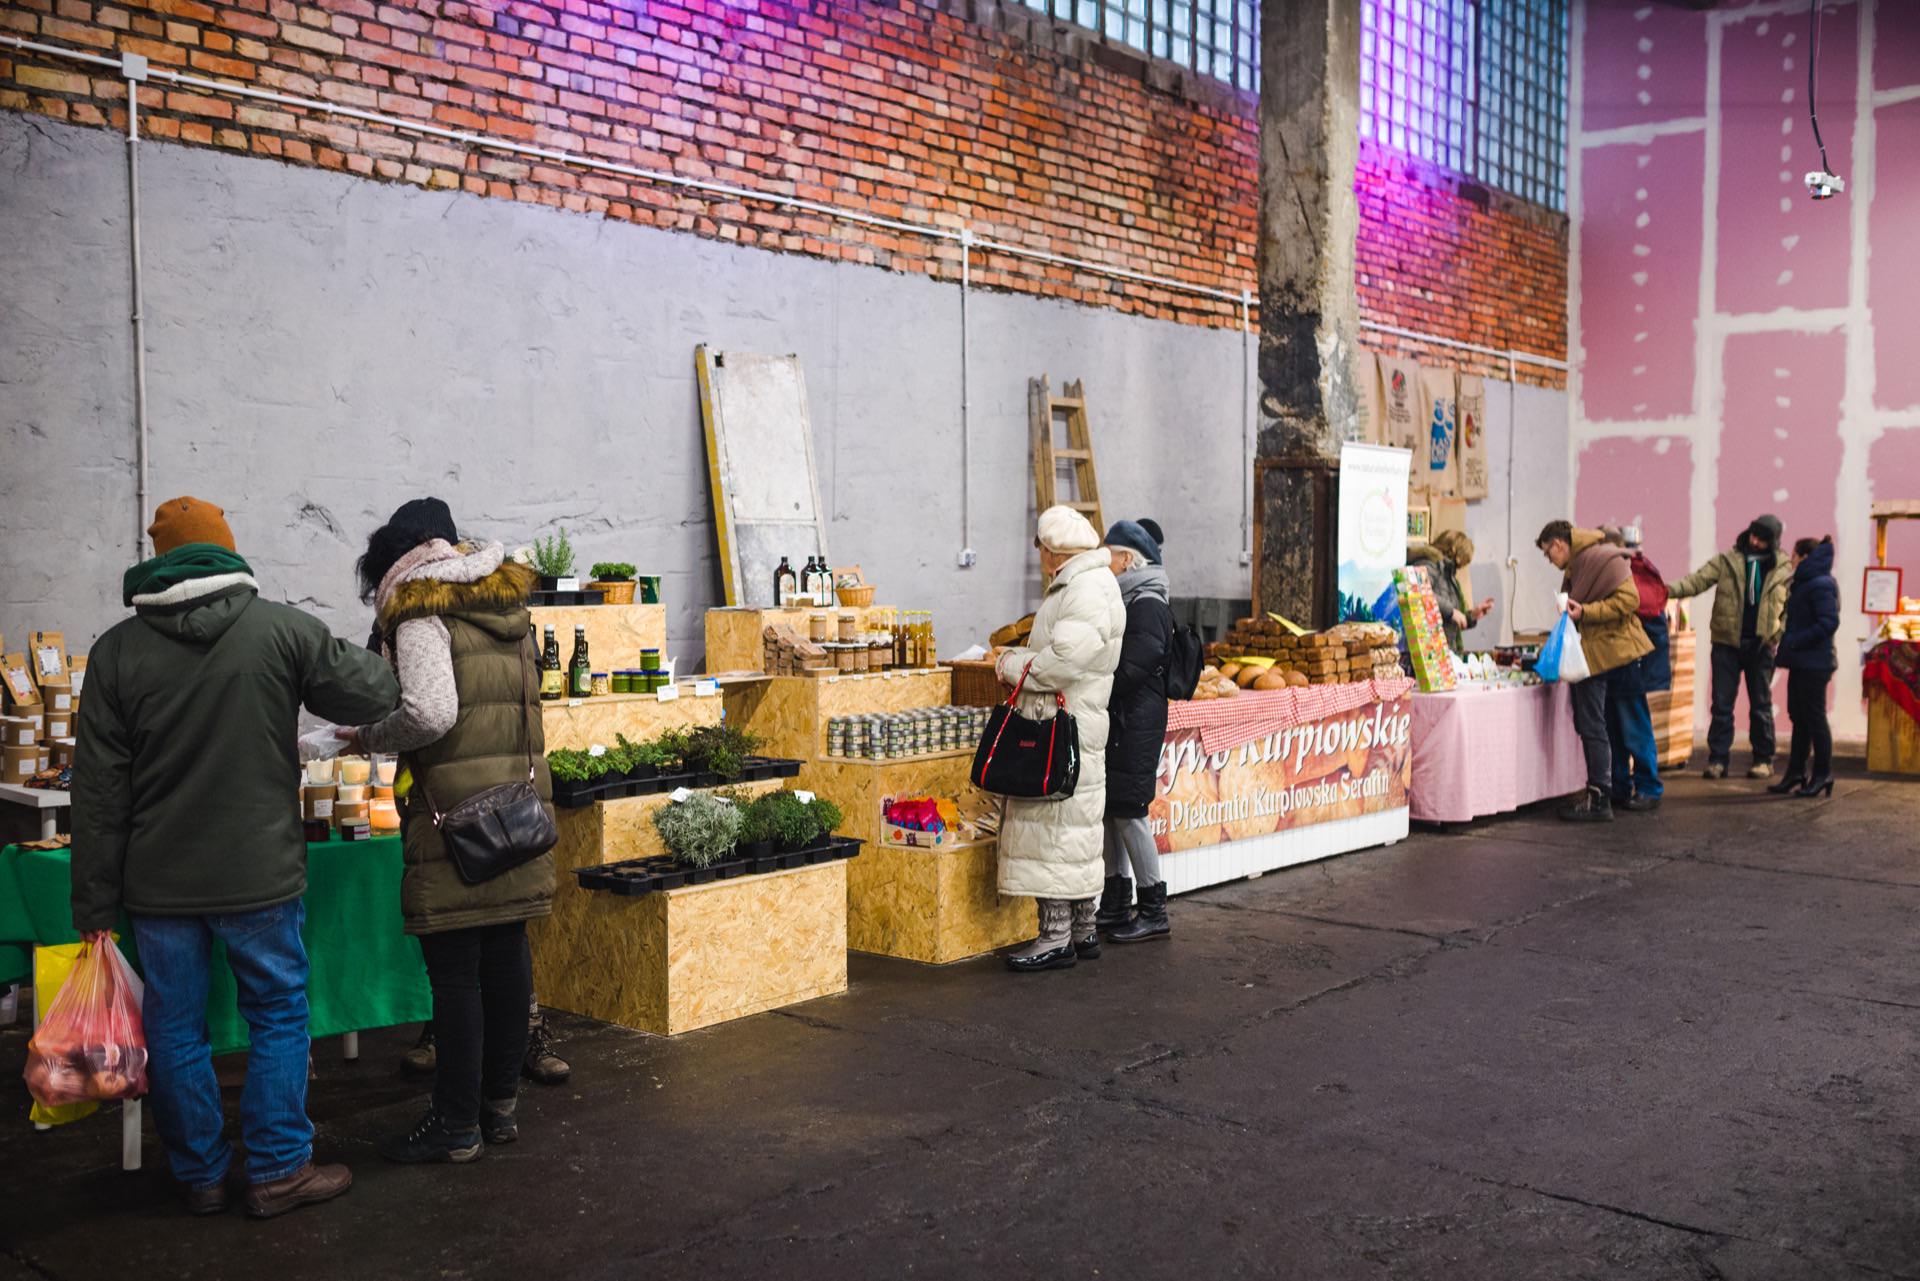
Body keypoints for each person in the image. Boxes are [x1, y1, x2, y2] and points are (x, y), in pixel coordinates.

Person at [72, 497, 399, 1218]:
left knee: (174, 1027)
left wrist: (94, 905)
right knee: (279, 1013)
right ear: (226, 549)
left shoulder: (117, 652)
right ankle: (280, 1168)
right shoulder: (281, 629)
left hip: (157, 884)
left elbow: (96, 791)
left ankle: (200, 1175)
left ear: (158, 559)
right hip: (260, 877)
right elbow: (376, 691)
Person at [343, 502, 556, 1161]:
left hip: (453, 816)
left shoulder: (418, 604)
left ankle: (456, 1124)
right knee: (505, 951)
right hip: (516, 807)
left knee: (458, 973)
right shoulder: (505, 602)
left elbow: (431, 711)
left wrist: (366, 736)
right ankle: (499, 1108)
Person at [993, 505, 1125, 972]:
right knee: (1076, 830)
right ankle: (1083, 929)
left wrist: (1009, 665)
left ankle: (1055, 938)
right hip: (1078, 727)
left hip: (1061, 728)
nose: (1039, 556)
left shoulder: (1084, 588)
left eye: (1041, 548)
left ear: (1054, 552)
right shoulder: (1090, 582)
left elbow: (1063, 662)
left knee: (1054, 831)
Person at [1536, 520, 1653, 822]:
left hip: (1608, 654)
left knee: (1602, 725)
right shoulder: (1584, 563)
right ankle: (1615, 789)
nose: (1551, 562)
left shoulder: (1600, 559)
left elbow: (1630, 600)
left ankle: (1603, 797)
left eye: (1550, 555)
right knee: (1608, 725)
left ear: (1560, 545)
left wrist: (1586, 612)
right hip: (1604, 653)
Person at [1094, 520, 1174, 945]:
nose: (1105, 563)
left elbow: (1134, 665)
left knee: (1130, 810)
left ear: (1128, 559)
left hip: (1137, 721)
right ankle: (1114, 902)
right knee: (1111, 807)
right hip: (1125, 717)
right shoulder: (1132, 599)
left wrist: (1094, 683)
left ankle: (1153, 908)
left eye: (1110, 555)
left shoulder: (1147, 605)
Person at [1668, 514, 1792, 779]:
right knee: (1721, 705)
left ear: (1772, 541)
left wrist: (1776, 634)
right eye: (1752, 534)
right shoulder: (1728, 561)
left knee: (1761, 704)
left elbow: (1789, 608)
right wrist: (1664, 590)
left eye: (1761, 538)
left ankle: (1763, 759)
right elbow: (1696, 581)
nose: (1754, 540)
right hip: (1726, 643)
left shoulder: (1783, 568)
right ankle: (1717, 760)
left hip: (1761, 646)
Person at [1599, 526, 1663, 812]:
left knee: (1634, 728)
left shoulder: (1625, 574)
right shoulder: (1627, 571)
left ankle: (1648, 788)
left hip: (1629, 663)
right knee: (1616, 729)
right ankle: (1621, 786)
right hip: (1616, 662)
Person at [1771, 536, 1839, 797]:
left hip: (1814, 663)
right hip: (1803, 662)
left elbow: (1828, 622)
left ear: (1803, 557)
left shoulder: (1820, 584)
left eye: (1795, 557)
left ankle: (1823, 774)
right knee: (1800, 718)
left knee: (1815, 719)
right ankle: (1796, 773)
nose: (1791, 561)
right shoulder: (1808, 582)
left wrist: (1796, 641)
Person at [1406, 530, 1492, 655]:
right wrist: (1451, 611)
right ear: (1455, 552)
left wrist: (1472, 615)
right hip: (1428, 651)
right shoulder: (1428, 564)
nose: (1462, 566)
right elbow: (1418, 591)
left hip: (1443, 651)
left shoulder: (1448, 575)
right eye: (1463, 560)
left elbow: (1452, 620)